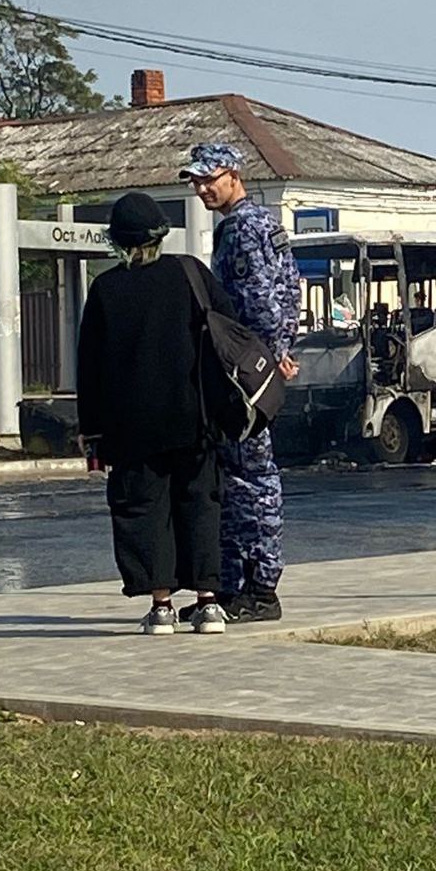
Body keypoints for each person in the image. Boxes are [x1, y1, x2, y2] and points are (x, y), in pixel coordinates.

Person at [76, 193, 236, 635]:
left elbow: (89, 367)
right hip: (195, 418)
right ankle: (208, 604)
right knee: (201, 505)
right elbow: (229, 326)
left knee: (144, 510)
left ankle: (161, 605)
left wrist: (91, 431)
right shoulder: (189, 274)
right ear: (161, 235)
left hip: (132, 428)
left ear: (118, 242)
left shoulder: (106, 289)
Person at [181, 142, 301, 623]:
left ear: (233, 175)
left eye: (210, 179)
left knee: (249, 479)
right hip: (255, 366)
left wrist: (263, 361)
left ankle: (259, 588)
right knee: (237, 478)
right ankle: (232, 587)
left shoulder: (243, 229)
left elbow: (261, 305)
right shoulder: (263, 223)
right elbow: (291, 289)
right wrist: (282, 350)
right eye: (195, 180)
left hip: (243, 374)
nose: (202, 188)